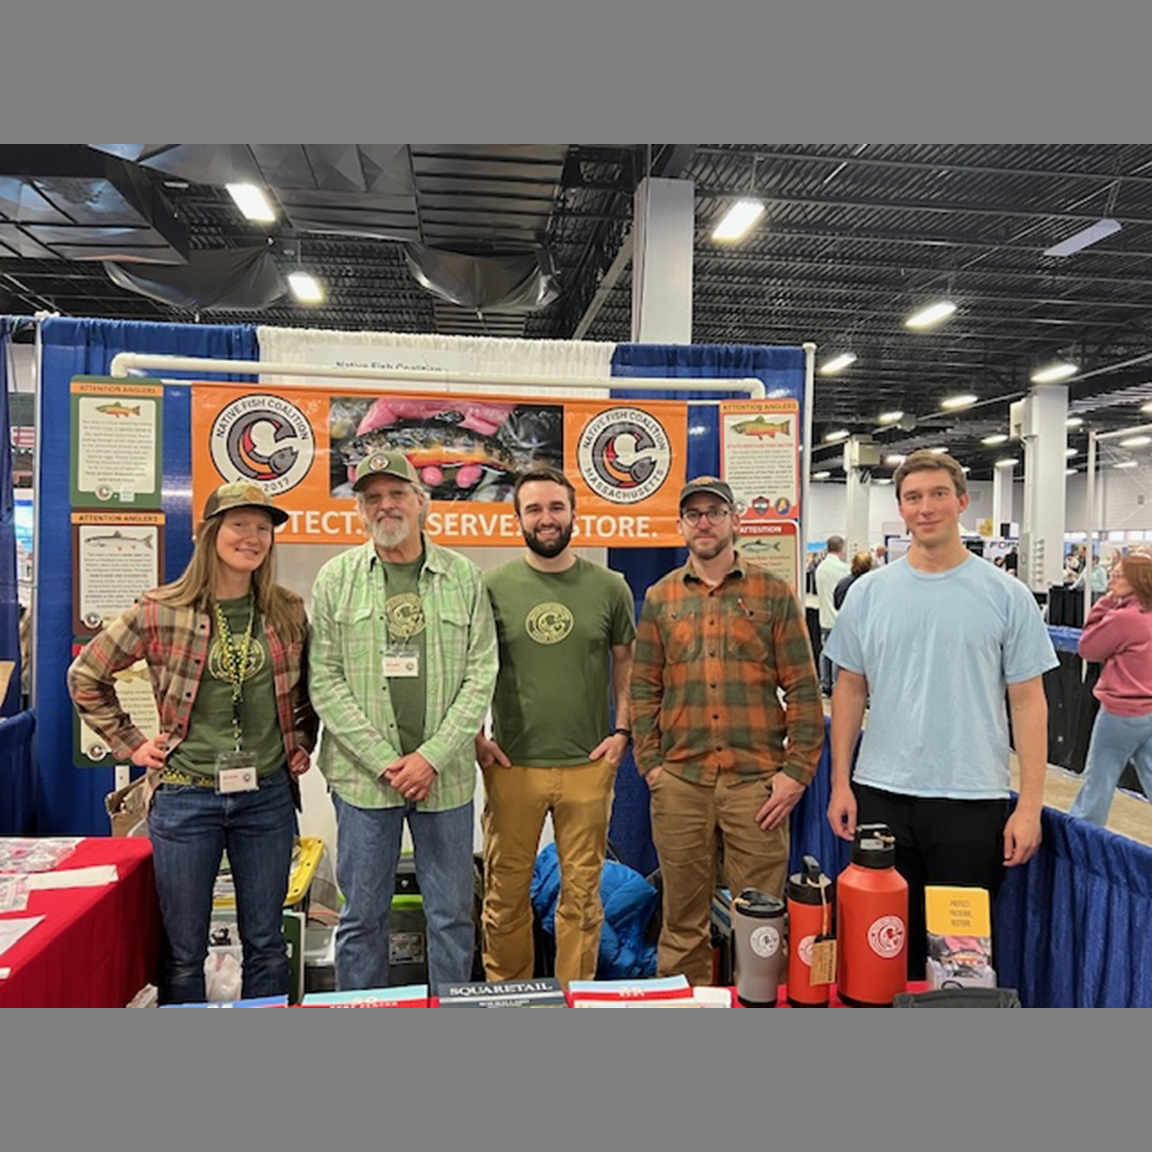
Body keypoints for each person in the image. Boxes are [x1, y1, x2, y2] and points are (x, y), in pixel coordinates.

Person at [68, 482, 316, 1004]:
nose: (252, 537)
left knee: (267, 943)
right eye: (239, 524)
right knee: (183, 950)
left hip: (266, 798)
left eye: (263, 528)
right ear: (210, 533)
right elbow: (86, 675)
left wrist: (301, 739)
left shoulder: (286, 609)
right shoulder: (161, 609)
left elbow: (308, 689)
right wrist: (132, 744)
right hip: (186, 798)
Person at [824, 450, 1057, 980]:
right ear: (901, 509)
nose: (925, 507)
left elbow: (1028, 702)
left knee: (960, 958)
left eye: (937, 495)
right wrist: (841, 783)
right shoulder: (867, 595)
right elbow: (848, 690)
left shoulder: (1008, 596)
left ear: (962, 501)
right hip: (881, 793)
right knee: (881, 946)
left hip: (971, 800)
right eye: (913, 497)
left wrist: (1030, 807)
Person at [309, 448, 498, 994]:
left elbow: (481, 673)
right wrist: (389, 763)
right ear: (360, 512)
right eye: (373, 498)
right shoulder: (335, 579)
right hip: (364, 782)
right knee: (362, 918)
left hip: (447, 780)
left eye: (397, 494)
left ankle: (450, 1015)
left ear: (423, 503)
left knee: (452, 917)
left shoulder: (463, 577)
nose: (385, 505)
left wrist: (430, 757)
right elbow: (324, 678)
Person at [631, 476, 824, 986]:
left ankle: (759, 1007)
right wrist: (652, 768)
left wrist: (796, 775)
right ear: (680, 526)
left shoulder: (774, 593)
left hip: (755, 785)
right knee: (681, 922)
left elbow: (804, 690)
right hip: (680, 784)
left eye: (714, 512)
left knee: (761, 922)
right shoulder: (660, 597)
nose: (704, 522)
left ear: (735, 521)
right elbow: (643, 688)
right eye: (693, 514)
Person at [476, 465, 636, 986]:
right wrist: (477, 736)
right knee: (504, 896)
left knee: (583, 899)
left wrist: (623, 732)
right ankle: (509, 997)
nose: (546, 519)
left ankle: (576, 998)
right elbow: (470, 667)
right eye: (534, 509)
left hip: (588, 766)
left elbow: (627, 666)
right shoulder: (492, 587)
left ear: (573, 512)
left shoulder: (610, 587)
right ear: (518, 518)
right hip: (512, 765)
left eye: (556, 507)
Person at [1068, 553, 1152, 827]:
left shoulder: (1125, 619)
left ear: (1137, 581)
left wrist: (1104, 602)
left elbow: (1088, 649)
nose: (1111, 579)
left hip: (1120, 712)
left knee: (1099, 780)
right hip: (1147, 712)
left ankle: (1083, 839)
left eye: (1118, 575)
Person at [815, 535, 850, 696]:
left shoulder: (820, 568)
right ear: (841, 549)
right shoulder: (844, 569)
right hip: (839, 618)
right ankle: (836, 686)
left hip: (824, 617)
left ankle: (825, 685)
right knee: (838, 655)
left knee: (825, 652)